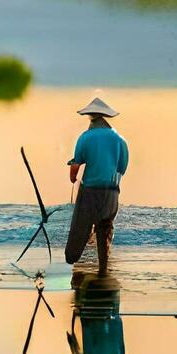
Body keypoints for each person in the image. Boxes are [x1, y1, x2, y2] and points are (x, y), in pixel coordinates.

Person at [65, 97, 129, 274]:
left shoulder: (85, 137)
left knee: (81, 227)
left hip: (90, 190)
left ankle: (71, 260)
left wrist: (72, 177)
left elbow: (76, 165)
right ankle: (103, 268)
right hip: (112, 192)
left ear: (90, 117)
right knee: (105, 229)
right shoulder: (120, 140)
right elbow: (122, 168)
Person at [66, 269, 125, 354]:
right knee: (90, 270)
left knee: (102, 270)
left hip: (109, 303)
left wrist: (116, 299)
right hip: (90, 310)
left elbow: (119, 336)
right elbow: (75, 350)